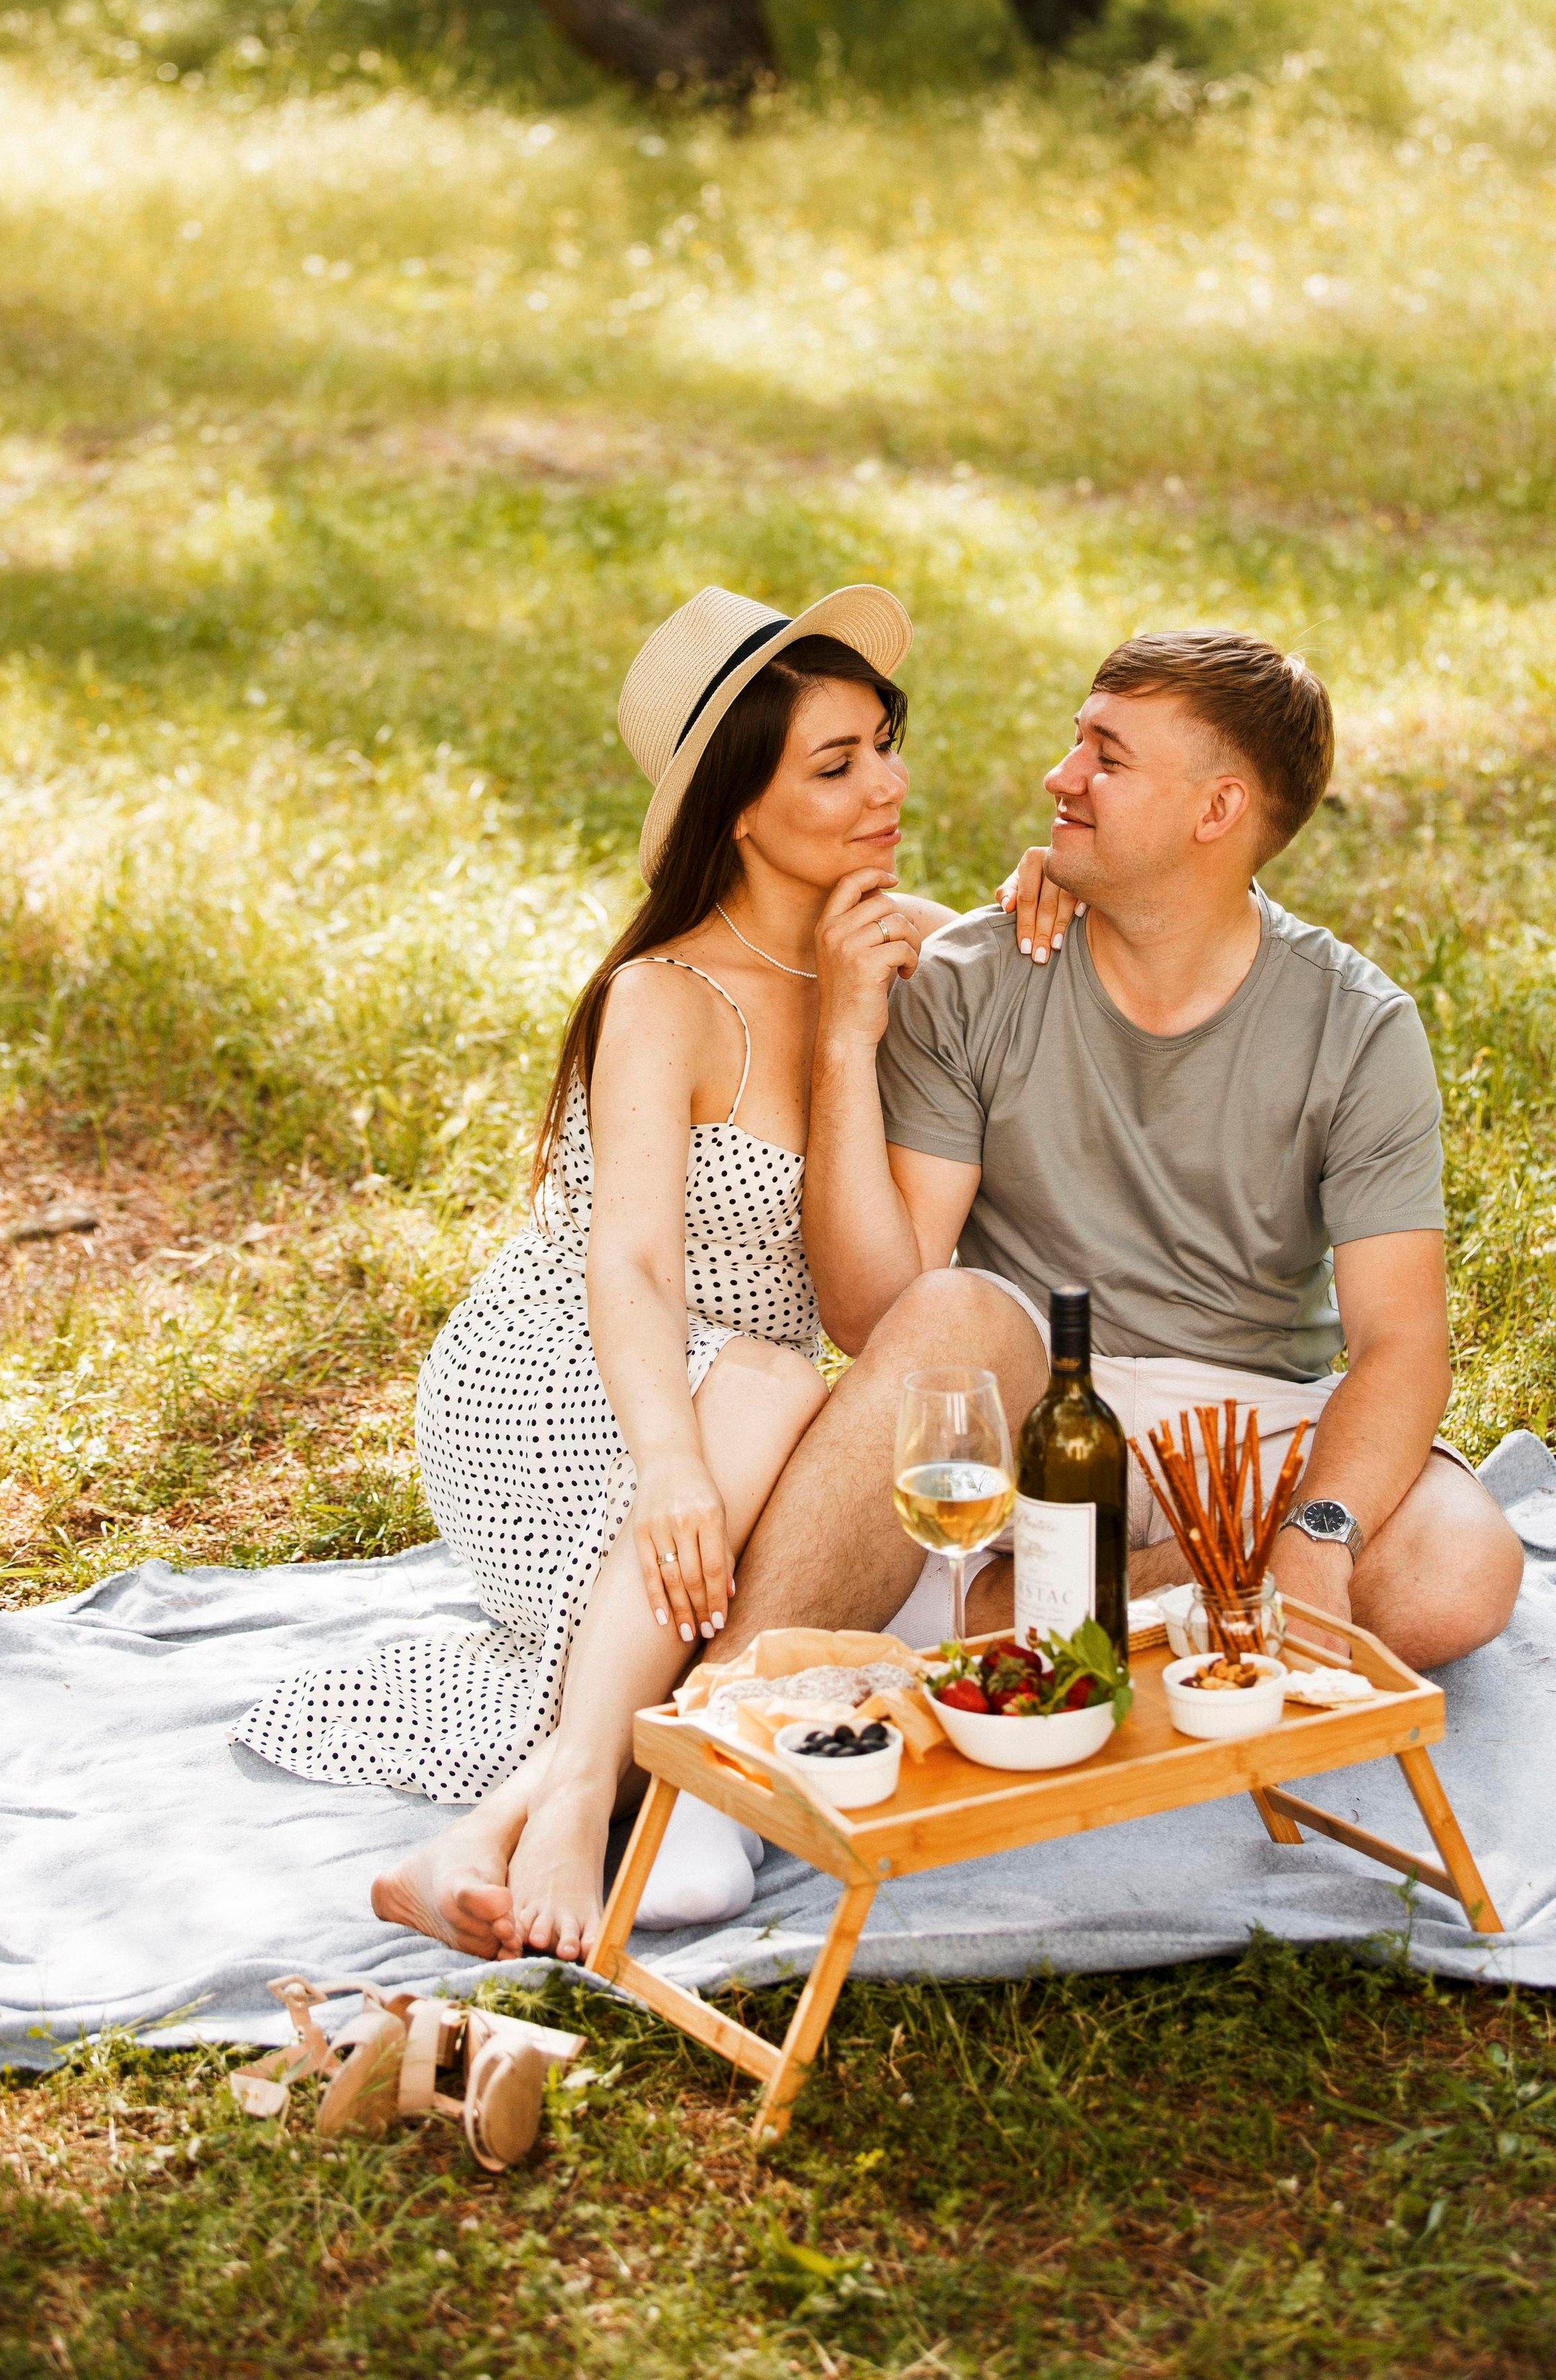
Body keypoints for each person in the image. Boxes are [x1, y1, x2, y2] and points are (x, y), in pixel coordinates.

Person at [232, 583, 1073, 1964]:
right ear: (740, 807)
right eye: (838, 762)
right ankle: (578, 1796)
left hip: (770, 1402)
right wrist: (672, 1461)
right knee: (761, 1388)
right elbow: (627, 1264)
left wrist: (1051, 892)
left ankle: (490, 1828)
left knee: (786, 1410)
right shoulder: (665, 996)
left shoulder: (904, 946)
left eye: (885, 743)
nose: (890, 783)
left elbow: (1061, 971)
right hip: (569, 1379)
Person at [716, 628, 1524, 1680]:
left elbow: (1401, 1343)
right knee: (949, 1313)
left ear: (1216, 811)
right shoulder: (977, 975)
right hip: (1030, 1399)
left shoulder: (1358, 1027)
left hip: (1246, 1428)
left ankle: (1001, 1608)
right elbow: (876, 1315)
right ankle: (719, 1723)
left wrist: (1317, 1535)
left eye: (1107, 754)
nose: (1061, 777)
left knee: (1453, 1574)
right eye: (1077, 742)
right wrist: (844, 1042)